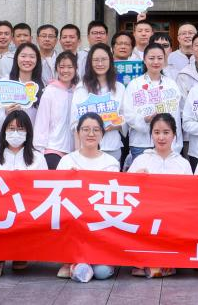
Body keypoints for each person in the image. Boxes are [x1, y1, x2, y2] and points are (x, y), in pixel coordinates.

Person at [0, 111, 48, 276]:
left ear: (28, 132)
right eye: (11, 128)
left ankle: (20, 254)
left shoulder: (38, 158)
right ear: (4, 131)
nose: (15, 133)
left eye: (20, 129)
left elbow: (44, 188)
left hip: (26, 208)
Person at [56, 114, 120, 280]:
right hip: (75, 223)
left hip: (100, 224)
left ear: (102, 134)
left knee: (102, 272)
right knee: (82, 270)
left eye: (96, 130)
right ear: (78, 133)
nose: (91, 134)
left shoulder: (111, 162)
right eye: (85, 129)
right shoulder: (67, 161)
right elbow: (58, 197)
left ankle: (91, 261)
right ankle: (73, 261)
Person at [127, 113, 192, 278]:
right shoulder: (141, 160)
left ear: (174, 135)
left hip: (173, 220)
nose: (161, 137)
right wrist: (135, 178)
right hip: (146, 219)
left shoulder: (183, 163)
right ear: (151, 135)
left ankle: (160, 262)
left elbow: (190, 196)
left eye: (166, 132)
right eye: (156, 132)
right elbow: (125, 191)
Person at [123, 43, 184, 161]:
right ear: (144, 60)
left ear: (164, 60)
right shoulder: (135, 84)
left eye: (160, 58)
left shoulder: (171, 84)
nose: (156, 62)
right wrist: (144, 120)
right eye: (151, 58)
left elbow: (176, 117)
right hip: (141, 143)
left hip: (167, 142)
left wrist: (176, 144)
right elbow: (128, 114)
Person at [70, 43, 127, 162]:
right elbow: (74, 122)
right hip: (86, 150)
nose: (100, 64)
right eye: (96, 60)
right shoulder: (81, 88)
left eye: (104, 59)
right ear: (90, 63)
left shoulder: (120, 88)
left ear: (110, 61)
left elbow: (125, 117)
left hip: (112, 147)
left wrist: (117, 126)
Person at [33, 50, 77, 168]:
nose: (65, 70)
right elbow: (42, 121)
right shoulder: (50, 90)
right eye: (61, 67)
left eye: (70, 67)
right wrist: (39, 149)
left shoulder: (78, 92)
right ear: (56, 69)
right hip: (52, 149)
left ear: (76, 69)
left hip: (73, 152)